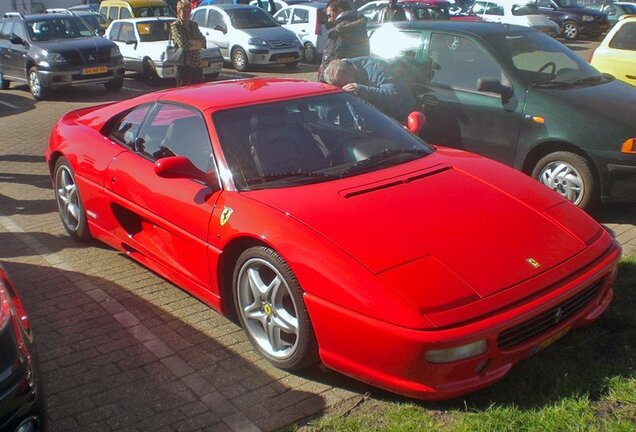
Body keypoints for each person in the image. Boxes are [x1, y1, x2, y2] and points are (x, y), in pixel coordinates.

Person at [324, 57, 416, 122]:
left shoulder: (376, 67)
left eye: (346, 84)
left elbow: (393, 95)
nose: (345, 87)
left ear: (352, 71)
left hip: (401, 115)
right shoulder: (344, 70)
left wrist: (360, 89)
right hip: (377, 117)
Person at [318, 0, 369, 82]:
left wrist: (323, 79)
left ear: (339, 11)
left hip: (335, 81)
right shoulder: (358, 28)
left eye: (330, 15)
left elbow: (334, 57)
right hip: (352, 79)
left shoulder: (340, 31)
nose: (329, 20)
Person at [171, 0, 207, 87]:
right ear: (179, 12)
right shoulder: (176, 25)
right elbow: (184, 45)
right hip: (183, 65)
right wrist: (198, 44)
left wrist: (192, 42)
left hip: (196, 64)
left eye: (188, 11)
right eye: (184, 11)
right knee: (184, 92)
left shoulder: (194, 25)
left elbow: (204, 41)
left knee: (198, 92)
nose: (186, 13)